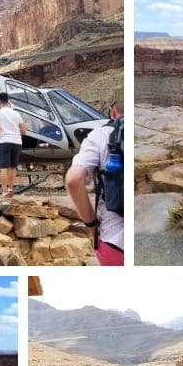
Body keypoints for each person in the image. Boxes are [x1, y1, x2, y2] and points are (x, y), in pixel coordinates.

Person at [66, 92, 123, 266]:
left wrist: (92, 225)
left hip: (115, 242)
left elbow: (74, 179)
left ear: (112, 111)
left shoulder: (100, 135)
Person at [0, 92, 27, 199]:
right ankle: (10, 189)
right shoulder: (16, 114)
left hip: (4, 141)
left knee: (4, 167)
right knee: (13, 166)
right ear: (8, 101)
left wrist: (0, 130)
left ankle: (5, 191)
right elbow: (24, 131)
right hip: (17, 142)